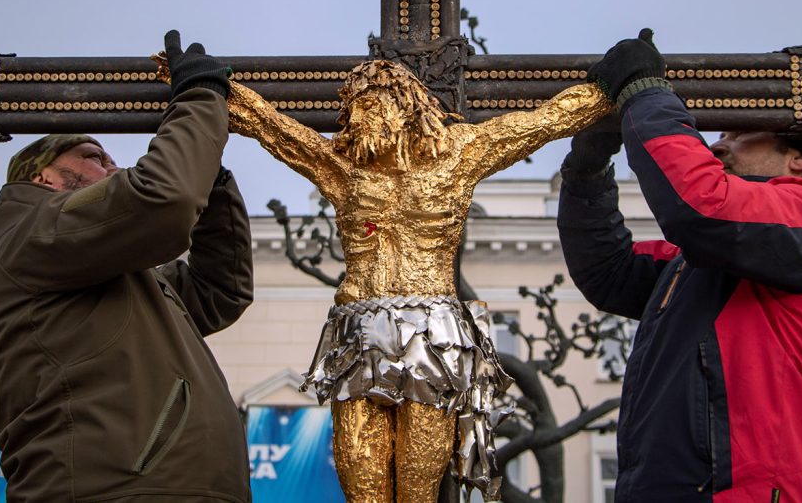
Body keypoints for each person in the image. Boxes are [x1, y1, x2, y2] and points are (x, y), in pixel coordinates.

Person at [152, 52, 612, 502]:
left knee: (417, 484)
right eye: (354, 106)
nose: (360, 115)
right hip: (357, 338)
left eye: (372, 100)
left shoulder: (461, 153)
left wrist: (609, 90)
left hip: (432, 340)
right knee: (360, 480)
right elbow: (275, 128)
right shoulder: (341, 163)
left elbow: (543, 121)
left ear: (406, 102)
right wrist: (209, 88)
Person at [558, 30, 802, 502]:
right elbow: (612, 271)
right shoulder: (702, 262)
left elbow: (701, 204)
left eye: (739, 134)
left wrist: (647, 93)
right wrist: (587, 170)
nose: (718, 146)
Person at [0, 31, 255, 502]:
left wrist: (210, 172)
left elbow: (218, 292)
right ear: (41, 176)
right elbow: (162, 199)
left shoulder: (101, 266)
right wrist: (200, 100)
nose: (112, 167)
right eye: (92, 157)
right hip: (114, 490)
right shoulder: (34, 235)